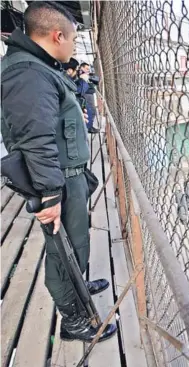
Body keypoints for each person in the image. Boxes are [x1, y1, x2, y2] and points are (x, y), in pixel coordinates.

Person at [1, 1, 115, 342]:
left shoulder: (37, 67)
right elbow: (36, 137)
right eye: (74, 41)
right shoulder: (29, 72)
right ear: (57, 35)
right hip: (58, 181)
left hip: (65, 176)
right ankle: (74, 321)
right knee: (62, 249)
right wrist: (50, 193)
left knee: (74, 242)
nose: (74, 48)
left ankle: (78, 287)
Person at [77, 62, 100, 134]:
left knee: (90, 110)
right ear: (82, 67)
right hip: (86, 94)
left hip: (88, 93)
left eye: (88, 69)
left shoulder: (86, 75)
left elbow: (96, 81)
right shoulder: (81, 75)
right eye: (86, 68)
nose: (88, 70)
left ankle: (88, 127)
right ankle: (89, 127)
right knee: (91, 110)